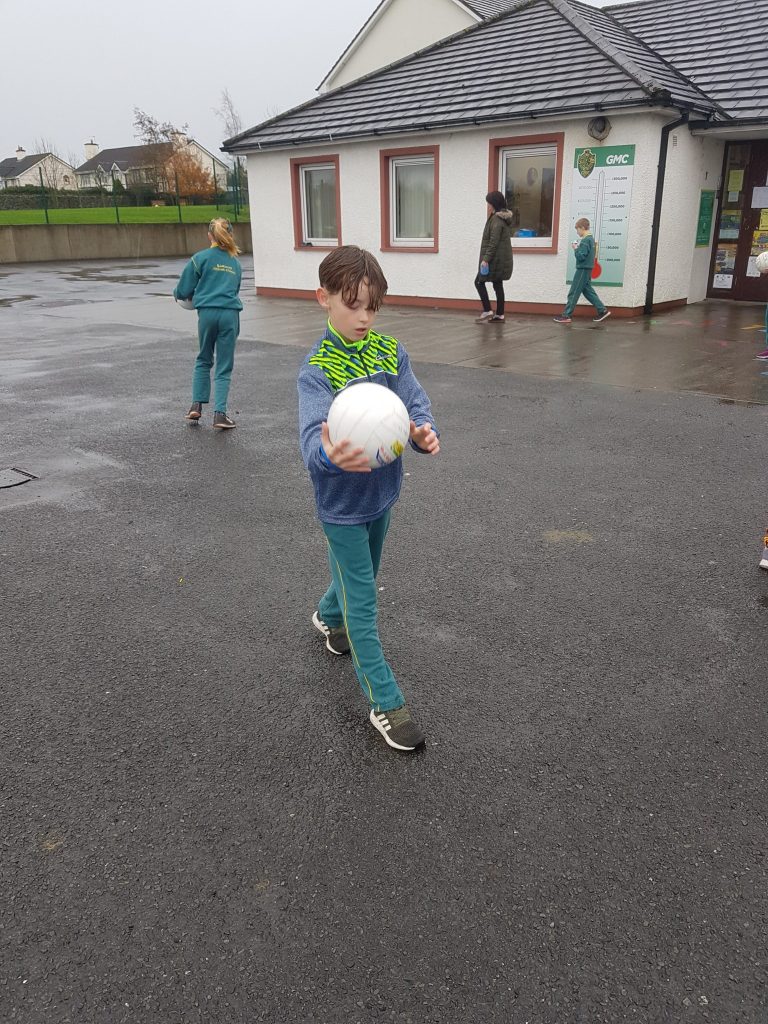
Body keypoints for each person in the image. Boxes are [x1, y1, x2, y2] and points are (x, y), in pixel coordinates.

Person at [297, 245, 440, 752]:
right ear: (324, 298)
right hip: (340, 506)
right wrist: (329, 454)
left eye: (372, 307)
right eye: (353, 304)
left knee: (361, 576)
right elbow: (311, 439)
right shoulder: (317, 370)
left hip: (382, 494)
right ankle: (386, 702)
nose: (363, 317)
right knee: (364, 601)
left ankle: (326, 615)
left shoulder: (389, 351)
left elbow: (414, 402)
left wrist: (422, 430)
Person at [174, 218, 243, 429]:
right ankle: (220, 414)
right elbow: (235, 289)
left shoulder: (200, 258)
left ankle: (196, 405)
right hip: (230, 314)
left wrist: (181, 294)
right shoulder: (235, 263)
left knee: (204, 358)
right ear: (230, 235)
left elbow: (182, 290)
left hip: (207, 314)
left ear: (209, 236)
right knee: (224, 365)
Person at [553, 217, 611, 324]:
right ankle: (602, 310)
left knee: (574, 292)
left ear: (583, 228)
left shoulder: (585, 240)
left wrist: (575, 248)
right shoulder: (591, 239)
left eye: (577, 229)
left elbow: (581, 256)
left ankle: (566, 315)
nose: (577, 232)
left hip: (582, 269)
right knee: (588, 292)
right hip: (588, 268)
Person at [475, 191, 514, 323]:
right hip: (499, 260)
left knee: (479, 282)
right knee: (498, 284)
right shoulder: (499, 218)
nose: (488, 206)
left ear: (494, 204)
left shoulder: (497, 220)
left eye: (489, 203)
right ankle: (500, 314)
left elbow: (493, 242)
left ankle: (488, 310)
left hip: (495, 260)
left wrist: (485, 259)